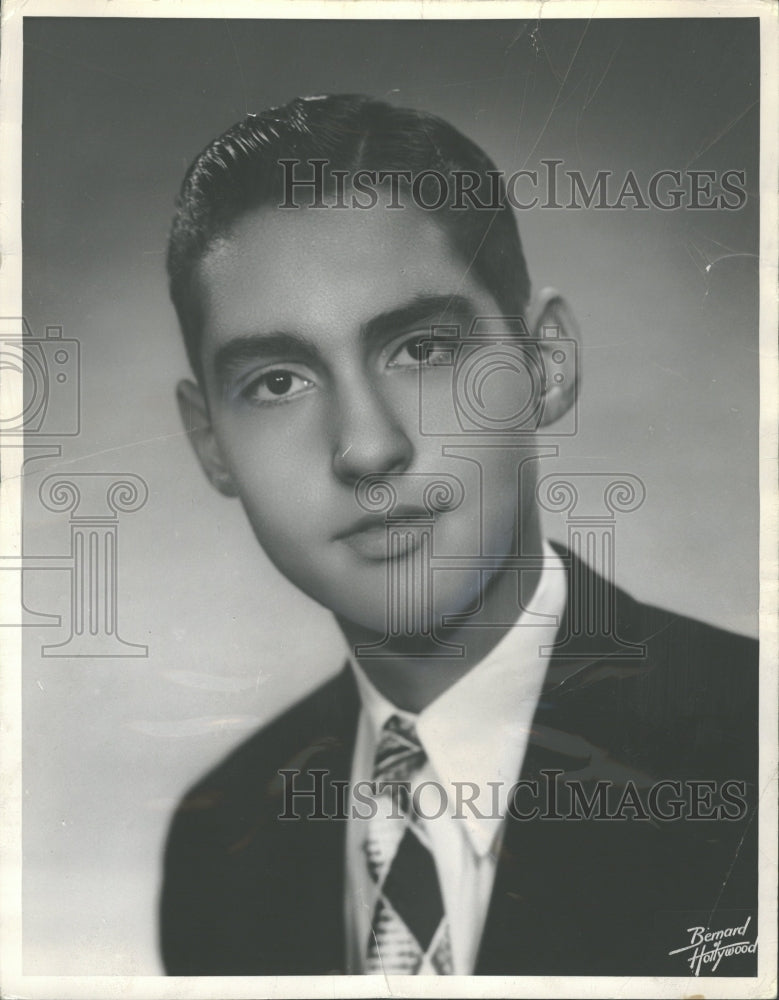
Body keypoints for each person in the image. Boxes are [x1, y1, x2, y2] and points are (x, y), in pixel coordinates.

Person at [159, 94, 758, 977]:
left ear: (544, 365)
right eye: (279, 381)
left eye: (423, 350)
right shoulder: (221, 843)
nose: (366, 447)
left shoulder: (755, 745)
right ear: (210, 442)